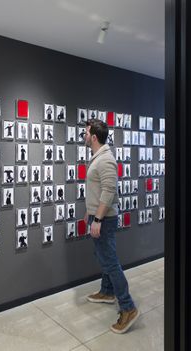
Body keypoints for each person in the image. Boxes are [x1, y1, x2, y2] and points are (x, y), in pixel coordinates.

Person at [84, 119, 139, 334]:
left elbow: (108, 192)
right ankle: (107, 292)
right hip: (98, 216)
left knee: (110, 261)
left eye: (86, 133)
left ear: (94, 137)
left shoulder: (105, 159)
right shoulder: (98, 157)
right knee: (103, 257)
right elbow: (98, 190)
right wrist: (89, 212)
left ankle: (128, 307)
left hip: (104, 219)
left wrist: (97, 219)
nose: (84, 137)